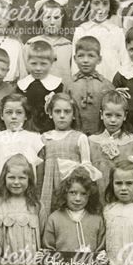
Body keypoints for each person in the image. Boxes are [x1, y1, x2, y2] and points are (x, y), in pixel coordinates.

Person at [38, 93, 94, 224]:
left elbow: (86, 169)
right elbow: (40, 172)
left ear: (74, 115)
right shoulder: (44, 138)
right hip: (49, 188)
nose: (62, 116)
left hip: (72, 188)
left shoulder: (80, 137)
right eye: (57, 111)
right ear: (50, 114)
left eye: (67, 112)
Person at [0, 93, 44, 198]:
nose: (14, 116)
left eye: (19, 112)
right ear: (2, 115)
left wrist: (37, 196)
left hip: (28, 197)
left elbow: (39, 173)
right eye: (9, 112)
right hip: (1, 196)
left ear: (26, 116)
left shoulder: (35, 139)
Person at [88, 91, 133, 198]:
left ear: (125, 116)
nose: (113, 120)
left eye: (118, 115)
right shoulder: (91, 141)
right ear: (101, 114)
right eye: (108, 115)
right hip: (97, 196)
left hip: (125, 196)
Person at [42, 165, 106, 253]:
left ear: (90, 195)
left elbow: (101, 250)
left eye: (83, 194)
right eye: (73, 193)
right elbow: (48, 250)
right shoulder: (54, 219)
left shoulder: (97, 219)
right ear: (65, 193)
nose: (78, 198)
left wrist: (100, 257)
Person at [73, 0, 125, 81]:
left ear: (110, 6)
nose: (101, 8)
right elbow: (75, 65)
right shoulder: (81, 31)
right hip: (87, 83)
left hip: (113, 81)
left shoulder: (117, 31)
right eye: (96, 3)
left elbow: (125, 61)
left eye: (105, 4)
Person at [68, 36, 115, 135]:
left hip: (100, 136)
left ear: (99, 59)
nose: (85, 60)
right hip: (76, 135)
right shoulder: (70, 85)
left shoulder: (106, 85)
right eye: (81, 56)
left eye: (91, 56)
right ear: (75, 59)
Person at [18, 40, 65, 133]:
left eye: (43, 64)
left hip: (50, 129)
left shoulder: (57, 85)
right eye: (34, 63)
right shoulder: (22, 85)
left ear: (51, 63)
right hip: (26, 130)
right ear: (27, 62)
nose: (38, 68)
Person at [27, 0, 74, 87]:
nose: (52, 22)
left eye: (56, 18)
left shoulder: (68, 46)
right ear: (40, 20)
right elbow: (25, 73)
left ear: (63, 20)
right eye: (47, 17)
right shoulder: (31, 44)